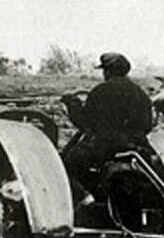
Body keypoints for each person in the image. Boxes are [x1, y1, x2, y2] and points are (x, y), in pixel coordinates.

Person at [61, 52, 153, 202]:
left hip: (107, 146)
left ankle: (86, 198)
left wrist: (73, 104)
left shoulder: (101, 91)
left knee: (66, 163)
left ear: (108, 71)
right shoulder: (141, 94)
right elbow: (147, 126)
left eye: (104, 71)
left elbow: (85, 123)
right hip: (138, 147)